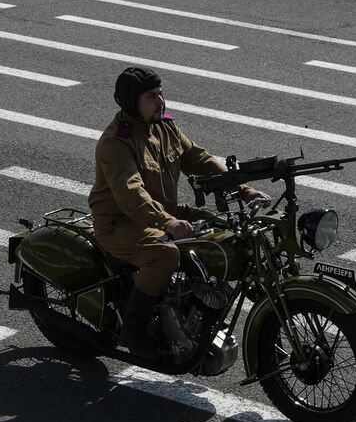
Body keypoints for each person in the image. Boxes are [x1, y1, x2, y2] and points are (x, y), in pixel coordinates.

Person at [88, 66, 268, 357]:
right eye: (151, 96)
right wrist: (168, 221)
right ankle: (133, 329)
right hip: (120, 223)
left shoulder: (164, 127)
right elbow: (130, 193)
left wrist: (243, 189)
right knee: (166, 254)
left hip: (165, 213)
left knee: (225, 231)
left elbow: (200, 159)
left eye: (160, 94)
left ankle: (198, 308)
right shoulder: (115, 142)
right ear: (133, 102)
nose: (161, 101)